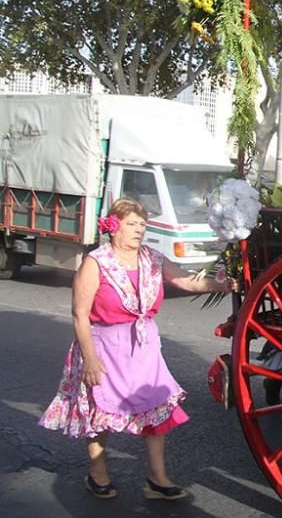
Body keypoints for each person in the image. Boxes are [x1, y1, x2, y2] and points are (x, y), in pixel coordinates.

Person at [38, 198, 238, 501]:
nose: (139, 231)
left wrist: (223, 285)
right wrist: (90, 360)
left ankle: (157, 479)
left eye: (142, 225)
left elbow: (185, 281)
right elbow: (80, 314)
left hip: (143, 348)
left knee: (156, 410)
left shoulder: (152, 259)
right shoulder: (97, 262)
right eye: (132, 224)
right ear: (114, 227)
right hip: (104, 347)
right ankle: (97, 472)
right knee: (100, 411)